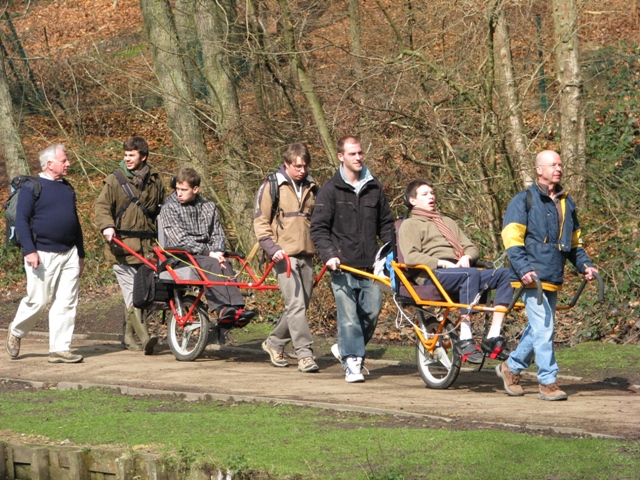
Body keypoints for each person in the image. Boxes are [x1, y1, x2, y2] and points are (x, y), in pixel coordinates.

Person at [498, 150, 598, 401]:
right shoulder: (522, 200)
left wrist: (585, 265)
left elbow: (573, 243)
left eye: (561, 164)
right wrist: (524, 269)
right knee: (544, 329)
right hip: (531, 277)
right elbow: (512, 241)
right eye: (553, 164)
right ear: (539, 170)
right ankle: (548, 381)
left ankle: (511, 367)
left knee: (539, 327)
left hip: (552, 276)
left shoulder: (567, 202)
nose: (559, 168)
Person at [398, 179, 514, 363]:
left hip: (461, 269)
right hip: (433, 273)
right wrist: (443, 263)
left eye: (432, 193)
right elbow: (411, 256)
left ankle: (493, 335)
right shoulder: (410, 225)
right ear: (413, 201)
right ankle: (465, 336)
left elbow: (471, 247)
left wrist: (466, 257)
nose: (431, 197)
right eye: (425, 194)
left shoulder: (447, 222)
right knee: (471, 273)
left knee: (505, 274)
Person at [310, 136, 395, 383]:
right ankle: (352, 362)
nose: (358, 157)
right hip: (342, 267)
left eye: (360, 153)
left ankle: (345, 348)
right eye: (352, 154)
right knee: (348, 318)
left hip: (371, 266)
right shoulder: (330, 189)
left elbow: (387, 225)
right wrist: (329, 255)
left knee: (371, 313)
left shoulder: (374, 187)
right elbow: (319, 228)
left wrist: (391, 254)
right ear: (341, 157)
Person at [5, 144, 85, 364]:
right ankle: (17, 330)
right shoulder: (33, 187)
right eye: (64, 160)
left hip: (69, 252)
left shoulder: (67, 188)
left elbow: (75, 222)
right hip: (41, 253)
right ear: (50, 164)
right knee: (38, 300)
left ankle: (60, 349)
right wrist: (29, 250)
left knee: (67, 301)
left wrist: (80, 254)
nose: (68, 163)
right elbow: (21, 220)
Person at [158, 167, 254, 327]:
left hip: (206, 254)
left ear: (195, 189)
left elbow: (217, 234)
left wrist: (217, 252)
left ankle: (237, 309)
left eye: (184, 190)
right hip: (180, 255)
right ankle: (221, 309)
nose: (179, 193)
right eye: (177, 189)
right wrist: (209, 253)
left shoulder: (209, 207)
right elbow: (178, 239)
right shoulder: (170, 208)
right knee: (212, 263)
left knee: (225, 263)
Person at [95, 136, 165, 355]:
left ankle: (127, 337)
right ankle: (145, 338)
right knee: (131, 294)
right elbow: (102, 207)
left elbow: (161, 211)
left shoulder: (155, 181)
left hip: (147, 247)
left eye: (132, 155)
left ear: (143, 156)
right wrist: (107, 226)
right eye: (125, 155)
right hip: (122, 249)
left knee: (144, 293)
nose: (127, 159)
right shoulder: (114, 180)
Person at [254, 143, 319, 372]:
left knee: (300, 305)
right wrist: (272, 249)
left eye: (305, 166)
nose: (302, 170)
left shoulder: (312, 186)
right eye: (297, 166)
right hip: (282, 255)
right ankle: (304, 354)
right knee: (296, 304)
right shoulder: (272, 186)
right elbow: (260, 222)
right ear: (287, 164)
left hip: (307, 253)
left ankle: (274, 343)